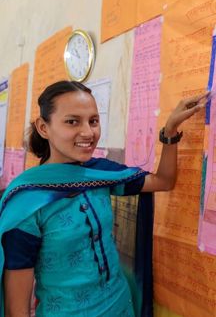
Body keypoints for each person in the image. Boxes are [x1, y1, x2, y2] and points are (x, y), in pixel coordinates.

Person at [0, 81, 207, 317]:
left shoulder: (100, 174)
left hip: (121, 306)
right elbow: (16, 310)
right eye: (72, 121)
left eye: (94, 121)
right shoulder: (27, 202)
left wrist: (169, 131)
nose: (88, 132)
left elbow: (163, 181)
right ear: (44, 128)